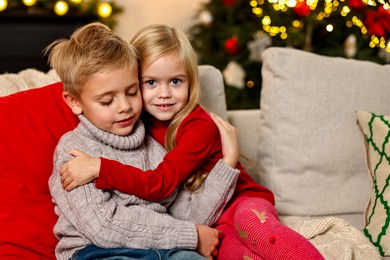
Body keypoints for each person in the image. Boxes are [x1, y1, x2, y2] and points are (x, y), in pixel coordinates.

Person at [60, 24, 324, 259]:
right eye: (150, 82)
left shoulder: (197, 126)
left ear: (190, 82)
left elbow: (159, 184)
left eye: (175, 81)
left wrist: (100, 168)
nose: (164, 94)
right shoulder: (140, 126)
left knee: (257, 229)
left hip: (240, 201)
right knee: (236, 254)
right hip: (213, 221)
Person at [46, 22, 242, 260]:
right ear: (75, 101)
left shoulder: (152, 146)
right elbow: (104, 227)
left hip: (163, 248)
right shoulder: (73, 152)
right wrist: (190, 236)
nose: (125, 107)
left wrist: (226, 166)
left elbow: (191, 219)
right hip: (98, 252)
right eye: (107, 101)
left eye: (131, 92)